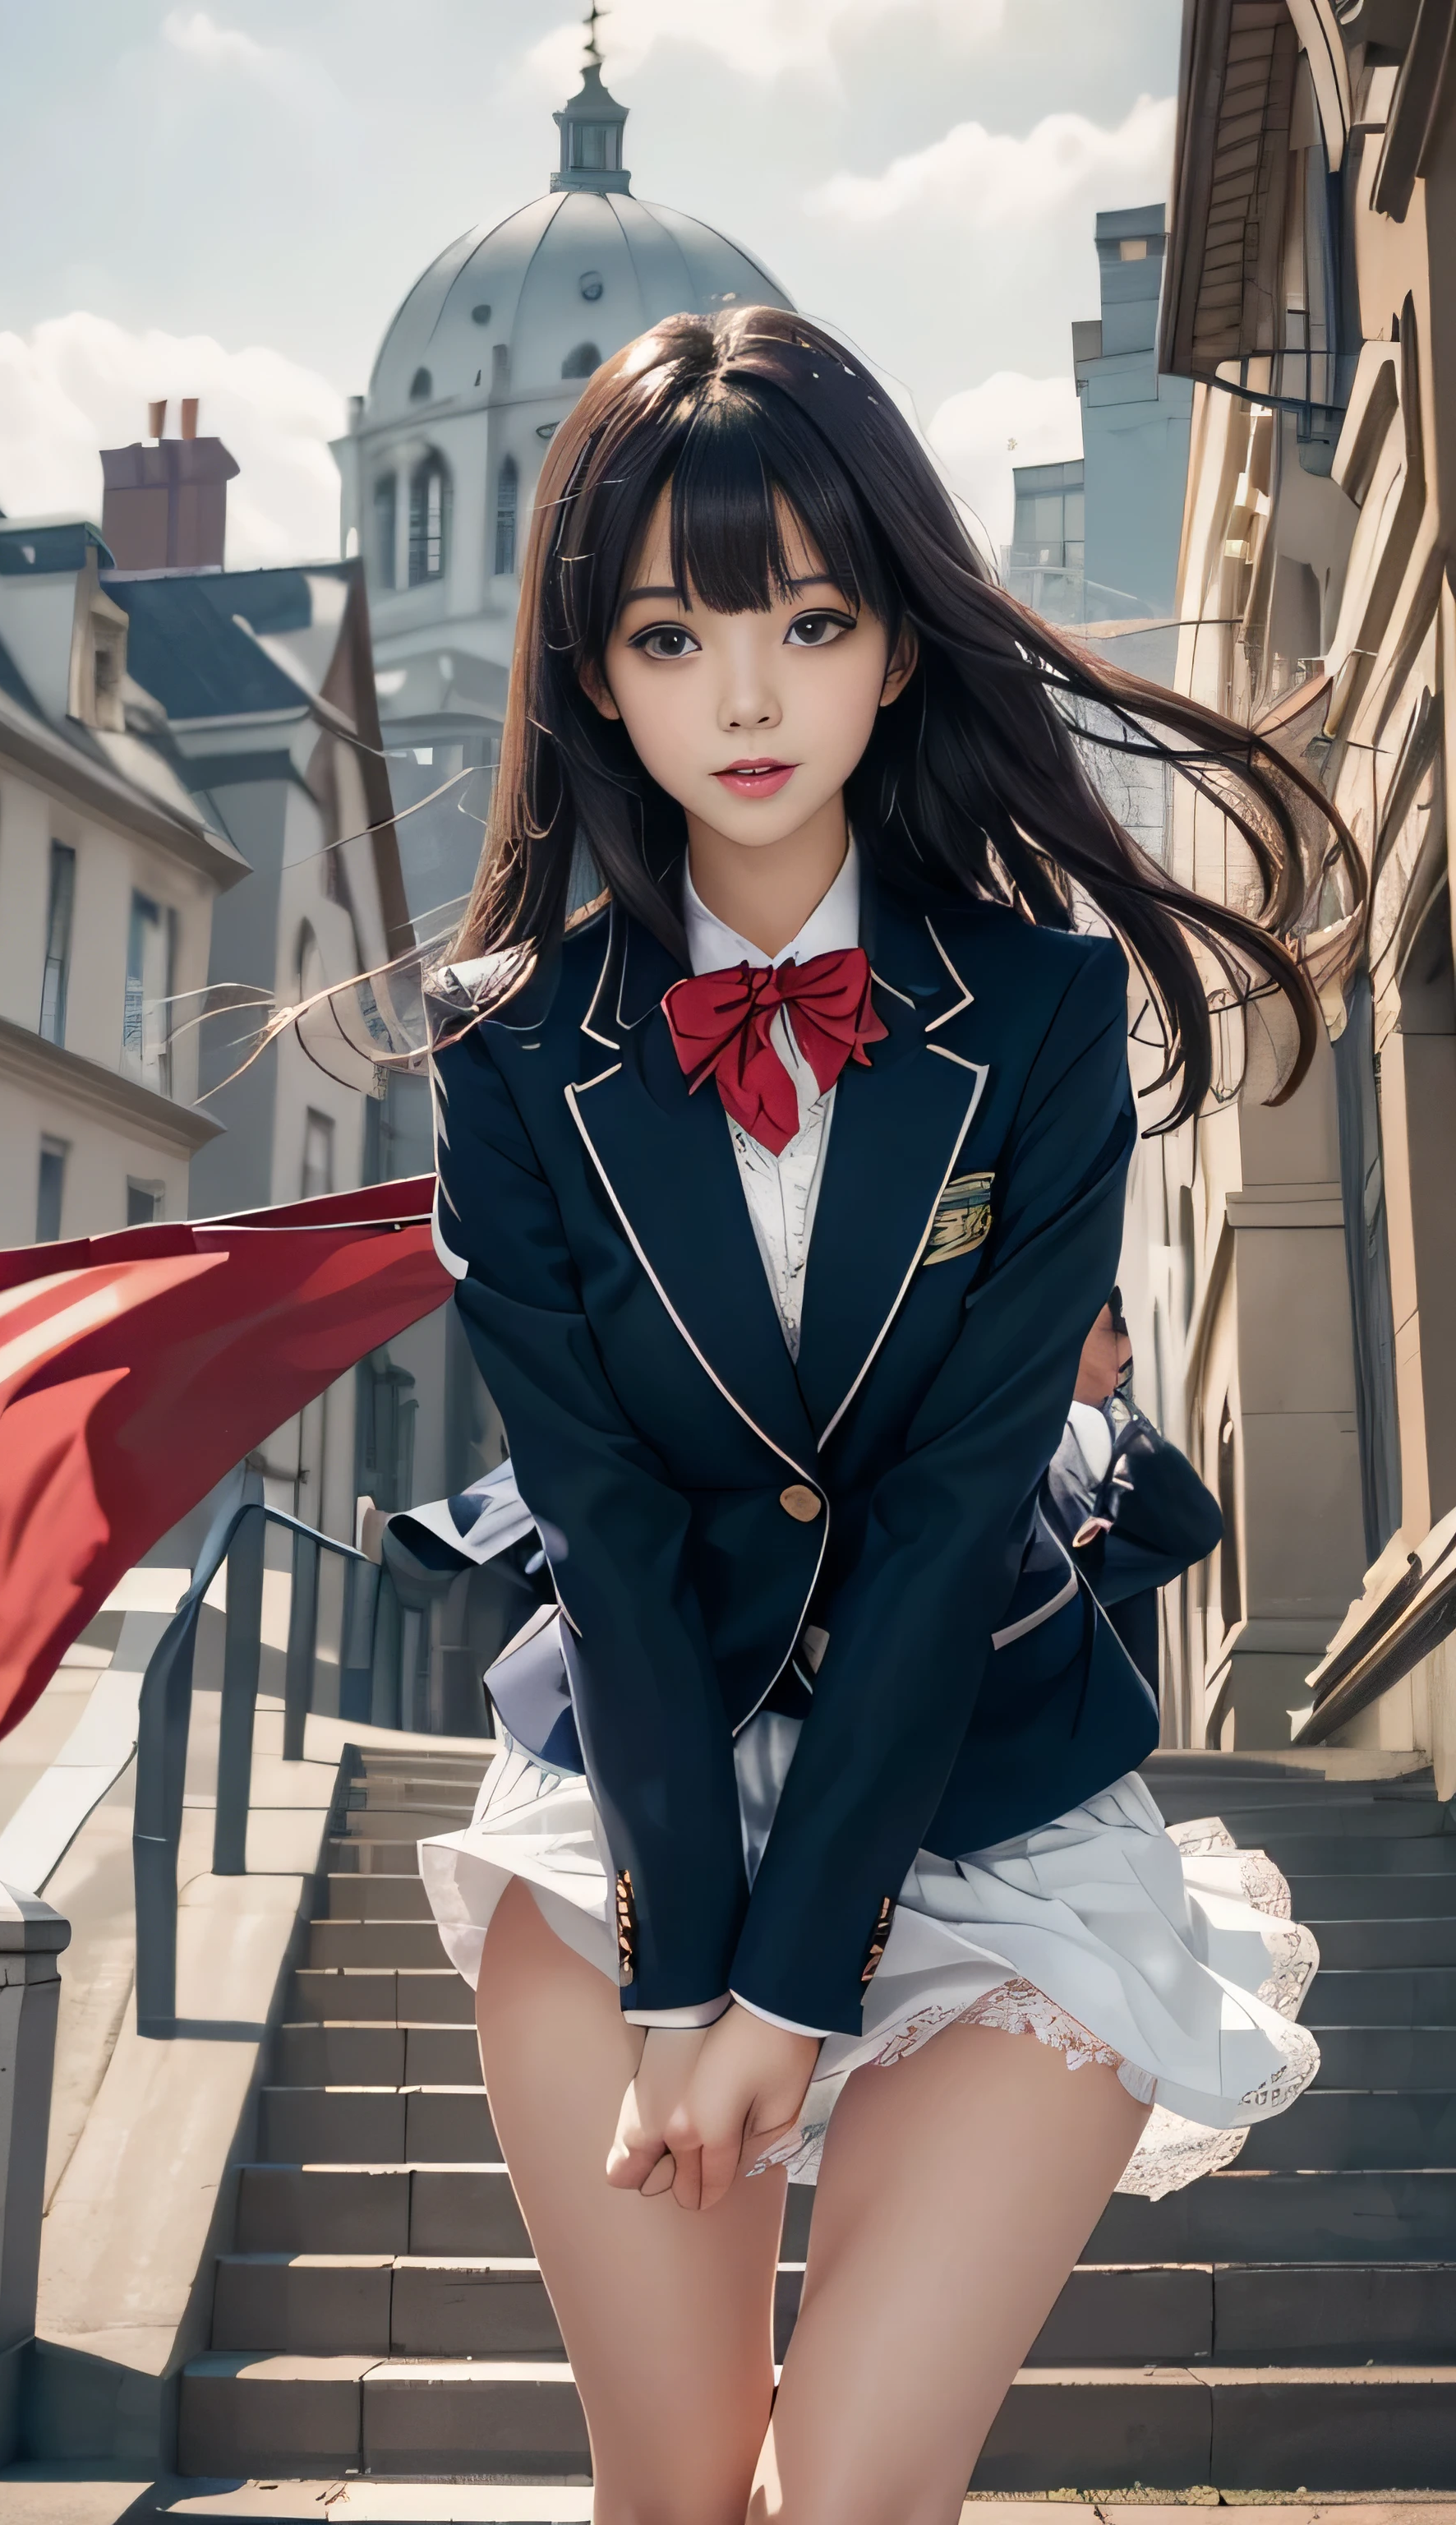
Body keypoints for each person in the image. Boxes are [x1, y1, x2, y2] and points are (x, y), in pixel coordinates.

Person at [420, 307, 1334, 2525]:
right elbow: (606, 1528)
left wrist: (797, 1984)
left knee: (843, 2499)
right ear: (595, 673)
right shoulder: (510, 1052)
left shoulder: (1039, 1011)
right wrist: (690, 1971)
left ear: (897, 648)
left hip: (997, 1788)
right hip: (632, 1799)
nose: (746, 697)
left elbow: (946, 1517)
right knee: (669, 2492)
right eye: (672, 632)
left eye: (811, 620)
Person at [1048, 1290, 1225, 1688]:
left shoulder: (1111, 1439)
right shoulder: (1073, 1435)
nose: (1124, 1351)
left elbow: (1197, 1525)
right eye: (1115, 1332)